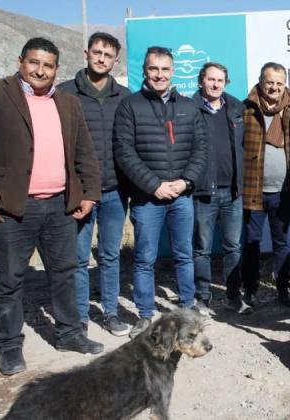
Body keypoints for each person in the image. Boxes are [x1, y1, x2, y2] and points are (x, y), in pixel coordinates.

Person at [0, 37, 104, 376]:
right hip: (11, 208)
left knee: (65, 274)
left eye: (48, 65)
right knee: (9, 280)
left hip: (59, 207)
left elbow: (84, 150)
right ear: (21, 61)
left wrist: (89, 193)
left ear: (56, 69)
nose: (40, 70)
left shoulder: (68, 103)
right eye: (34, 62)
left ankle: (69, 334)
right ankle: (9, 345)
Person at [113, 46, 208, 337]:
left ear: (173, 71)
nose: (159, 75)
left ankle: (189, 306)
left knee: (184, 254)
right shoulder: (130, 106)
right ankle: (144, 315)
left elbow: (200, 149)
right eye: (153, 69)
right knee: (144, 259)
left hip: (182, 196)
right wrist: (154, 185)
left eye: (165, 69)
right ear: (144, 70)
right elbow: (124, 152)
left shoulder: (189, 106)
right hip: (146, 199)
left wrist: (185, 181)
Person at [56, 32, 131, 336]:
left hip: (115, 190)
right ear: (86, 53)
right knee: (78, 257)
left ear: (115, 60)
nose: (101, 58)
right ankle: (81, 316)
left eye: (108, 55)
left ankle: (111, 313)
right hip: (79, 191)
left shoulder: (124, 96)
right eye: (97, 52)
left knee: (110, 255)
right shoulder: (64, 93)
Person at [236, 62, 290, 311]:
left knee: (283, 243)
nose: (274, 87)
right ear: (261, 81)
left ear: (285, 84)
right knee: (251, 242)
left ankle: (283, 289)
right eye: (269, 82)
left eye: (279, 83)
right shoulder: (246, 109)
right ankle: (250, 290)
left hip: (283, 191)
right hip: (254, 189)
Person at [191, 62, 245, 315]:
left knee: (233, 247)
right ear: (201, 80)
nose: (215, 84)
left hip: (233, 192)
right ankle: (202, 297)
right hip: (204, 192)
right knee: (201, 248)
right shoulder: (189, 108)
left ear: (226, 83)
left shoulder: (235, 108)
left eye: (220, 80)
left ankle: (234, 296)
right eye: (210, 79)